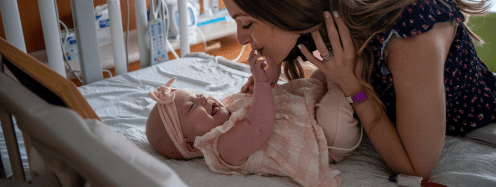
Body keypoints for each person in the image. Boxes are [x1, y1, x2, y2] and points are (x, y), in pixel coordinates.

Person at [218, 0, 496, 180]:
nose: (241, 38)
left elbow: (416, 168)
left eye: (246, 23)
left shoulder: (411, 37)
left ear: (286, 6)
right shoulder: (324, 21)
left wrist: (353, 86)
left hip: (477, 120)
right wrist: (270, 87)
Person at [145, 50, 362, 187]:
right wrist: (261, 85)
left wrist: (270, 72)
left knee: (316, 76)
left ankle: (342, 78)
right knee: (334, 110)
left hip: (310, 107)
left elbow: (265, 96)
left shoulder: (230, 108)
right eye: (192, 106)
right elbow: (259, 126)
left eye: (198, 95)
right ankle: (356, 89)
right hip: (327, 139)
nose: (203, 99)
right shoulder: (221, 148)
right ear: (189, 143)